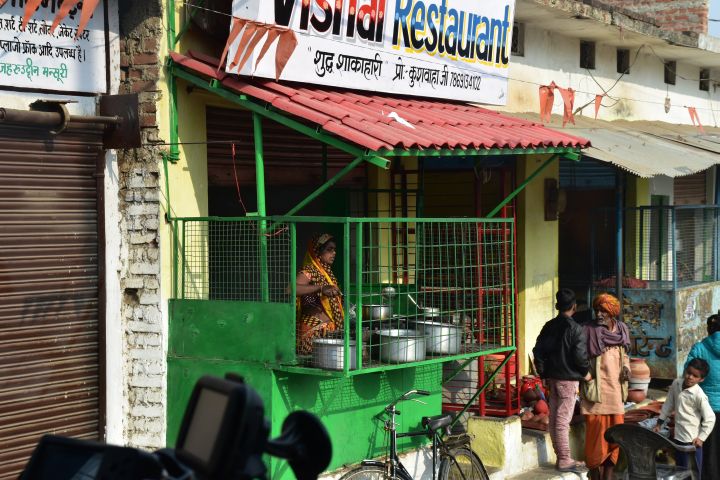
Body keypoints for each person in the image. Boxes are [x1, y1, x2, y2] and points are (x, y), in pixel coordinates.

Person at [532, 288, 591, 473]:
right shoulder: (576, 329)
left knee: (555, 418)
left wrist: (543, 374)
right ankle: (565, 459)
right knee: (562, 420)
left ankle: (562, 457)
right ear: (574, 307)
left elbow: (538, 352)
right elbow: (580, 357)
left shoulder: (549, 326)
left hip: (553, 379)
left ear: (558, 306)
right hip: (568, 380)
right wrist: (586, 372)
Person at [581, 293, 631, 480]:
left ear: (612, 313)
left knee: (615, 439)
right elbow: (577, 355)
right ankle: (594, 474)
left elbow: (625, 355)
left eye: (603, 311)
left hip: (616, 394)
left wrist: (626, 367)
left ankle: (608, 476)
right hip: (596, 396)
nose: (599, 315)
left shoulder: (622, 330)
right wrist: (585, 375)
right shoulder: (587, 330)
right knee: (595, 442)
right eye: (597, 310)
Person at [654, 358, 715, 479]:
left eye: (695, 376)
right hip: (678, 437)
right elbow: (669, 404)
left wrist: (701, 438)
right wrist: (659, 422)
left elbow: (710, 418)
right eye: (688, 373)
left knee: (693, 471)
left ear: (701, 379)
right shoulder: (676, 384)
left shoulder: (699, 395)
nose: (690, 377)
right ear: (685, 370)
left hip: (692, 441)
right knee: (680, 470)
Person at [295, 233, 344, 354]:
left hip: (328, 332)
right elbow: (292, 289)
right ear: (318, 251)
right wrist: (321, 288)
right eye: (329, 249)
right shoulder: (309, 271)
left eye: (334, 249)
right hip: (313, 331)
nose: (334, 253)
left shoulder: (328, 274)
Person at [684, 313, 720, 479]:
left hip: (706, 408)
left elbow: (687, 376)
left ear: (709, 329)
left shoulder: (699, 348)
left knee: (709, 452)